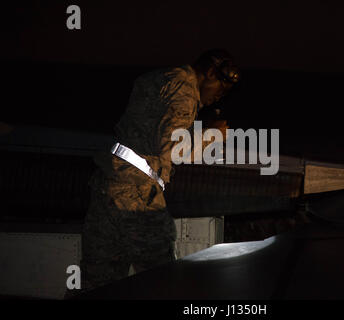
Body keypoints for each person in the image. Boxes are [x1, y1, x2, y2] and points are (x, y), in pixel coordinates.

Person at [66, 49, 240, 297]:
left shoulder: (161, 77)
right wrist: (213, 135)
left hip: (110, 184)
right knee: (163, 278)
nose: (219, 97)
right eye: (220, 89)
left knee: (96, 281)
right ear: (209, 72)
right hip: (136, 196)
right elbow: (172, 148)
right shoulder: (184, 89)